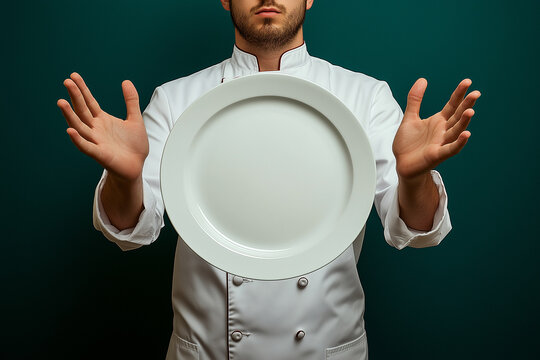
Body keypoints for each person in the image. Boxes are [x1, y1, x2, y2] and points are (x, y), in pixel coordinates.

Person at [57, 0, 481, 359]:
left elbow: (415, 229)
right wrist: (124, 177)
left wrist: (415, 176)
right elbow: (131, 231)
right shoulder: (175, 99)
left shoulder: (364, 96)